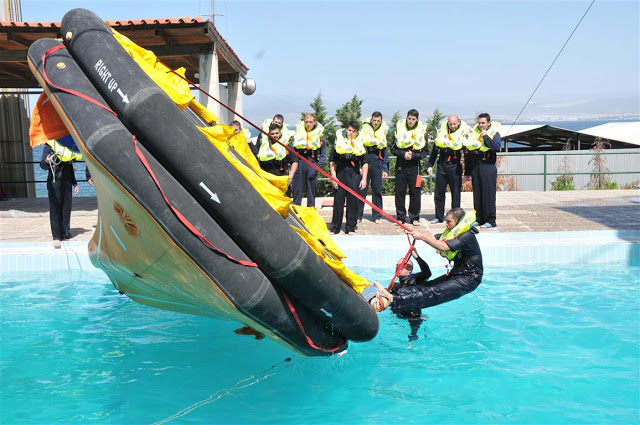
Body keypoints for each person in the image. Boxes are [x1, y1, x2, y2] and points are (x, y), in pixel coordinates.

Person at [371, 208, 482, 318]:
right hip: (456, 274)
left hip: (470, 278)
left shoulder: (467, 236)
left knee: (435, 291)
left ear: (458, 221)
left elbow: (444, 247)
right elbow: (431, 237)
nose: (446, 224)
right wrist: (415, 232)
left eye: (449, 221)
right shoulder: (452, 233)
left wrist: (422, 236)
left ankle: (393, 299)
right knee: (426, 286)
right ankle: (394, 296)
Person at [427, 115, 471, 223]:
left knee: (455, 193)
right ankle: (438, 216)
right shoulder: (443, 131)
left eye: (454, 124)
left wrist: (467, 173)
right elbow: (435, 150)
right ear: (448, 123)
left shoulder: (463, 132)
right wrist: (429, 165)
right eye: (450, 124)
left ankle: (455, 217)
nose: (452, 126)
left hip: (455, 167)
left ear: (458, 123)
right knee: (439, 193)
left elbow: (467, 155)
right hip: (442, 165)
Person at [329, 121, 368, 235]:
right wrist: (333, 178)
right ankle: (335, 227)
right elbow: (332, 162)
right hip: (340, 172)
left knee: (353, 201)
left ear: (357, 133)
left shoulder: (360, 143)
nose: (351, 133)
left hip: (354, 173)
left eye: (353, 131)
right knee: (338, 201)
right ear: (346, 130)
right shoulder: (338, 142)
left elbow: (365, 162)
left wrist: (364, 178)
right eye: (349, 130)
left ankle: (350, 227)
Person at [465, 113, 502, 228]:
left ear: (488, 123)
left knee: (488, 193)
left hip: (488, 166)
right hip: (476, 165)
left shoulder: (495, 133)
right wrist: (467, 172)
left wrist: (485, 136)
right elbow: (468, 152)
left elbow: (496, 147)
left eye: (483, 123)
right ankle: (479, 218)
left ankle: (491, 220)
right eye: (479, 123)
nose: (481, 125)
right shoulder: (474, 133)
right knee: (477, 193)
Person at [40, 142, 80, 248]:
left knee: (66, 208)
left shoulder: (66, 147)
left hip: (66, 182)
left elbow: (70, 165)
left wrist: (74, 182)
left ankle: (66, 234)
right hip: (54, 182)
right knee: (55, 208)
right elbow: (42, 165)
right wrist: (47, 161)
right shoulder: (48, 148)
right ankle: (57, 237)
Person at [392, 109, 428, 226]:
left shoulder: (422, 131)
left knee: (415, 192)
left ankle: (414, 217)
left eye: (413, 119)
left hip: (415, 166)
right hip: (401, 165)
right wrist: (403, 154)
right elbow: (392, 148)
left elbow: (425, 152)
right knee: (399, 192)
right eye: (409, 119)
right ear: (406, 118)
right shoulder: (399, 128)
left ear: (417, 120)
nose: (411, 121)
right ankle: (400, 217)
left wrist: (413, 156)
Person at [357, 112, 389, 224]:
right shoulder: (364, 129)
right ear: (371, 120)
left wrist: (385, 168)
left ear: (381, 121)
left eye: (378, 121)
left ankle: (377, 215)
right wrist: (360, 166)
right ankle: (358, 215)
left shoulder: (384, 131)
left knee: (377, 190)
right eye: (374, 120)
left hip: (377, 161)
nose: (375, 123)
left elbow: (385, 151)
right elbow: (359, 147)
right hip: (365, 159)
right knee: (361, 189)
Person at [291, 113, 326, 207]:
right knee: (297, 192)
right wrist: (294, 164)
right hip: (300, 162)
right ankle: (297, 216)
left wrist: (317, 167)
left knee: (311, 194)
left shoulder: (320, 136)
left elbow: (323, 154)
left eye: (310, 122)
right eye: (306, 122)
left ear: (315, 122)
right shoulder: (298, 134)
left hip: (312, 162)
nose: (308, 124)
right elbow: (292, 149)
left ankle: (311, 215)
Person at [256, 123, 299, 188]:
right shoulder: (263, 146)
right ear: (269, 134)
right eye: (272, 134)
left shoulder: (286, 146)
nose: (274, 135)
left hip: (282, 179)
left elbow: (295, 161)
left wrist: (291, 176)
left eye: (276, 133)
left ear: (280, 133)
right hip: (267, 180)